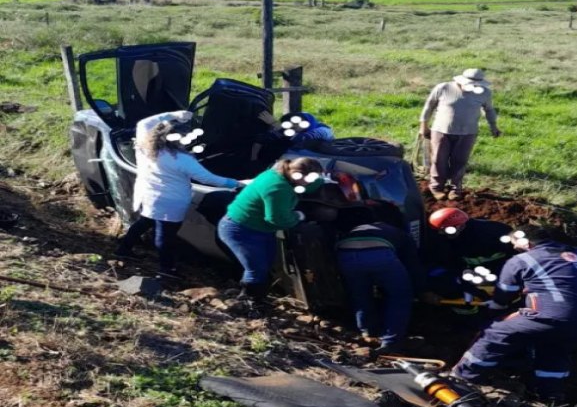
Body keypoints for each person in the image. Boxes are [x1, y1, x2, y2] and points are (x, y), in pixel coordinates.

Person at [451, 225, 577, 401]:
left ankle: (462, 378)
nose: (514, 248)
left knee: (496, 332)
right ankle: (550, 395)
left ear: (526, 242)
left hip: (557, 315)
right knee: (554, 345)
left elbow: (502, 297)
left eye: (515, 244)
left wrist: (492, 309)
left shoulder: (521, 260)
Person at [115, 111, 242, 275]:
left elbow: (143, 124)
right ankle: (166, 268)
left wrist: (171, 115)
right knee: (165, 235)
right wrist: (236, 183)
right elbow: (207, 178)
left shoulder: (145, 148)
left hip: (149, 195)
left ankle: (123, 248)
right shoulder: (182, 160)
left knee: (144, 222)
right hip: (172, 202)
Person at [218, 157, 325, 306]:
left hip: (260, 229)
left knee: (267, 263)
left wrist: (324, 181)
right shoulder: (277, 188)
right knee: (257, 269)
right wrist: (298, 216)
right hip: (241, 230)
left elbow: (306, 185)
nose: (312, 182)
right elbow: (277, 219)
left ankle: (258, 297)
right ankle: (249, 302)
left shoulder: (279, 172)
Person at [335, 210, 424, 354]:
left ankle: (367, 332)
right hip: (379, 254)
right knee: (400, 296)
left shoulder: (360, 228)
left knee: (360, 294)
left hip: (345, 253)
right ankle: (391, 342)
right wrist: (420, 290)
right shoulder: (400, 233)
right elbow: (412, 265)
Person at [418, 69, 501, 201]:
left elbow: (489, 109)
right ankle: (436, 188)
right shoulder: (443, 87)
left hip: (468, 132)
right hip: (441, 131)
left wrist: (494, 126)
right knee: (439, 160)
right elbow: (429, 105)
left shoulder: (485, 93)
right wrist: (423, 126)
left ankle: (455, 189)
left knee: (460, 161)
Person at [424, 208, 515, 309]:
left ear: (460, 226)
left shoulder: (495, 233)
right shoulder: (444, 240)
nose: (441, 234)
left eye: (443, 231)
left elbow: (516, 257)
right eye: (439, 231)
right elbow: (449, 262)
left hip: (500, 271)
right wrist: (465, 284)